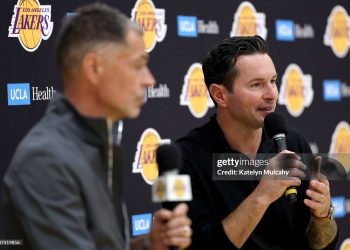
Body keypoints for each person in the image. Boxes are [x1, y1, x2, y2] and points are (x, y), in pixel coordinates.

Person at [2, 3, 191, 250]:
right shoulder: (46, 159)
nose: (149, 79)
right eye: (137, 65)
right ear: (94, 68)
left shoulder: (97, 141)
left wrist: (147, 244)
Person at [168, 36, 338, 249]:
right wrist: (262, 196)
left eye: (273, 81)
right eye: (256, 85)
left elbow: (322, 244)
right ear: (220, 95)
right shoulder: (185, 159)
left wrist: (322, 217)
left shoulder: (293, 143)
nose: (271, 94)